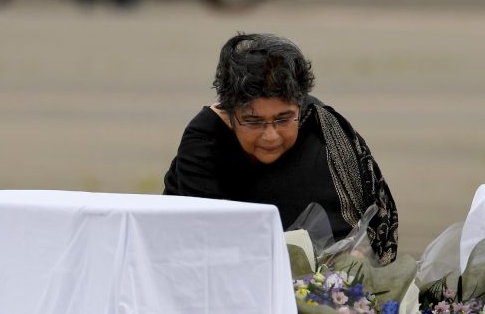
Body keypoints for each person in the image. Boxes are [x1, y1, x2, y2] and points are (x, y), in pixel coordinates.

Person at [163, 33, 399, 264]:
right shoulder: (205, 141)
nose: (270, 136)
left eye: (283, 119)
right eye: (253, 121)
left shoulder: (322, 128)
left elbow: (366, 227)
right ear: (231, 113)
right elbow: (202, 240)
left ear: (299, 105)